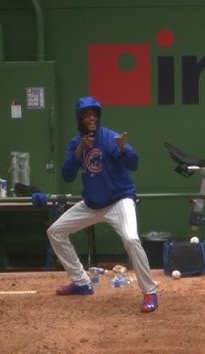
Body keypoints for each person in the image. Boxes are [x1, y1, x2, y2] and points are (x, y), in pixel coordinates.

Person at [47, 96, 158, 313]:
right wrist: (80, 149)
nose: (91, 118)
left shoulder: (111, 137)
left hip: (119, 200)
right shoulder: (76, 143)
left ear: (98, 116)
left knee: (131, 238)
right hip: (91, 203)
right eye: (86, 114)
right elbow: (67, 175)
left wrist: (124, 149)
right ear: (79, 119)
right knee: (55, 231)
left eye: (94, 114)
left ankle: (150, 292)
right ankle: (81, 283)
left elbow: (133, 164)